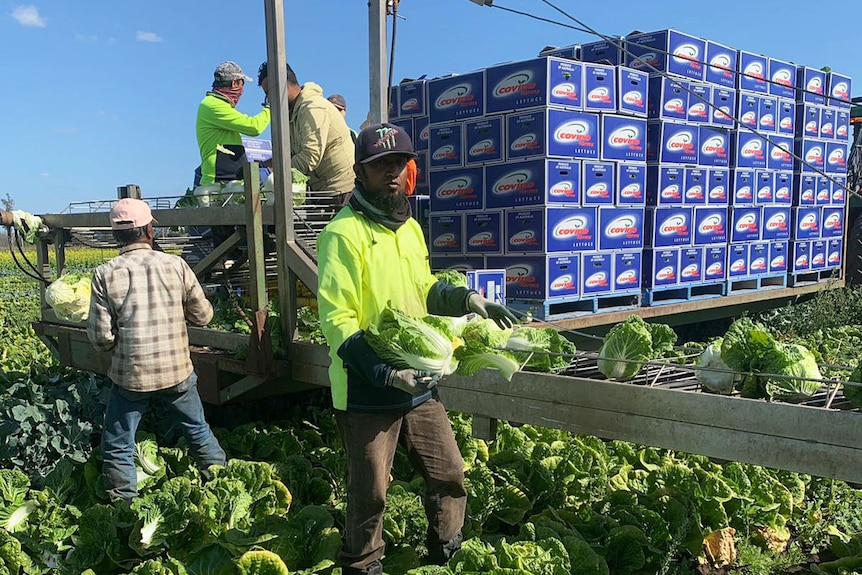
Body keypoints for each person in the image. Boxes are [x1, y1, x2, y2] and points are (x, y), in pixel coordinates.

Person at [316, 123, 516, 574]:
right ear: (358, 172)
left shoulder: (408, 228)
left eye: (399, 163)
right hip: (368, 387)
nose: (391, 173)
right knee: (370, 491)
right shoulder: (342, 235)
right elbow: (338, 320)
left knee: (449, 473)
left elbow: (423, 287)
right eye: (380, 165)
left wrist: (469, 299)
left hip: (420, 386)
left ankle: (447, 549)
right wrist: (386, 373)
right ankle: (364, 563)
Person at [87, 198, 226, 502]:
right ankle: (221, 483)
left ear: (115, 236)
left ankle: (124, 507)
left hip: (132, 377)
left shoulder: (105, 274)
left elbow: (100, 338)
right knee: (197, 431)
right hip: (177, 371)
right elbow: (203, 316)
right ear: (150, 231)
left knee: (118, 443)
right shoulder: (175, 265)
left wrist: (119, 344)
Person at [258, 62, 355, 209]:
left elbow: (310, 156)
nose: (269, 101)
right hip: (323, 192)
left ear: (283, 85)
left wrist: (273, 173)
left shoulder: (312, 108)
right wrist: (261, 167)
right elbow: (290, 155)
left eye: (269, 94)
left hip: (341, 192)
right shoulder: (293, 113)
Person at [196, 61, 271, 186]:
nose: (242, 91)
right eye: (242, 84)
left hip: (227, 180)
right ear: (234, 83)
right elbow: (254, 127)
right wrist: (269, 108)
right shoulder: (213, 105)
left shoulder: (217, 105)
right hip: (218, 184)